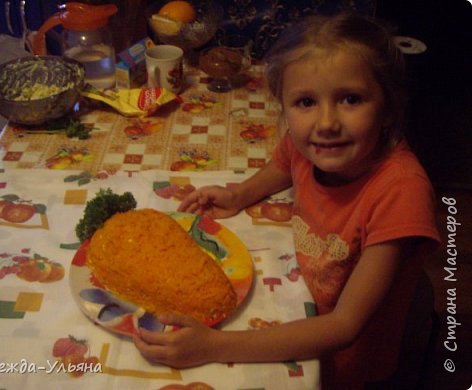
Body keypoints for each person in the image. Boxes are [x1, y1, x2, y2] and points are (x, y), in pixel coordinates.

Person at [133, 12, 440, 388]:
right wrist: (239, 194)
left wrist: (213, 346)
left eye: (350, 98)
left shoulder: (401, 192)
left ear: (389, 107)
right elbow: (285, 162)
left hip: (347, 362)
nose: (326, 122)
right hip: (303, 299)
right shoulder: (309, 143)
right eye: (306, 102)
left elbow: (345, 326)